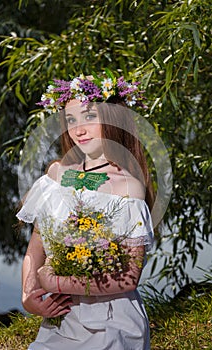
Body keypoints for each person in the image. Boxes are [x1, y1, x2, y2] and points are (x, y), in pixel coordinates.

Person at [17, 71, 154, 350]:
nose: (78, 129)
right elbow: (36, 245)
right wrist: (29, 292)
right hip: (62, 317)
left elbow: (129, 277)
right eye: (71, 120)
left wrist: (55, 280)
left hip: (113, 322)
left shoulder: (127, 187)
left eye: (89, 117)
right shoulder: (56, 174)